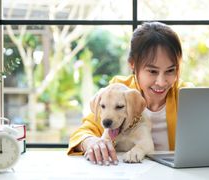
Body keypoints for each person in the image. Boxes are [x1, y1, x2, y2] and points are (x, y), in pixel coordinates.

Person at [67, 21, 193, 166]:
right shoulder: (118, 90)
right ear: (133, 65)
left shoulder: (186, 95)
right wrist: (91, 142)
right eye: (152, 71)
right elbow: (82, 132)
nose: (161, 82)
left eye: (170, 70)